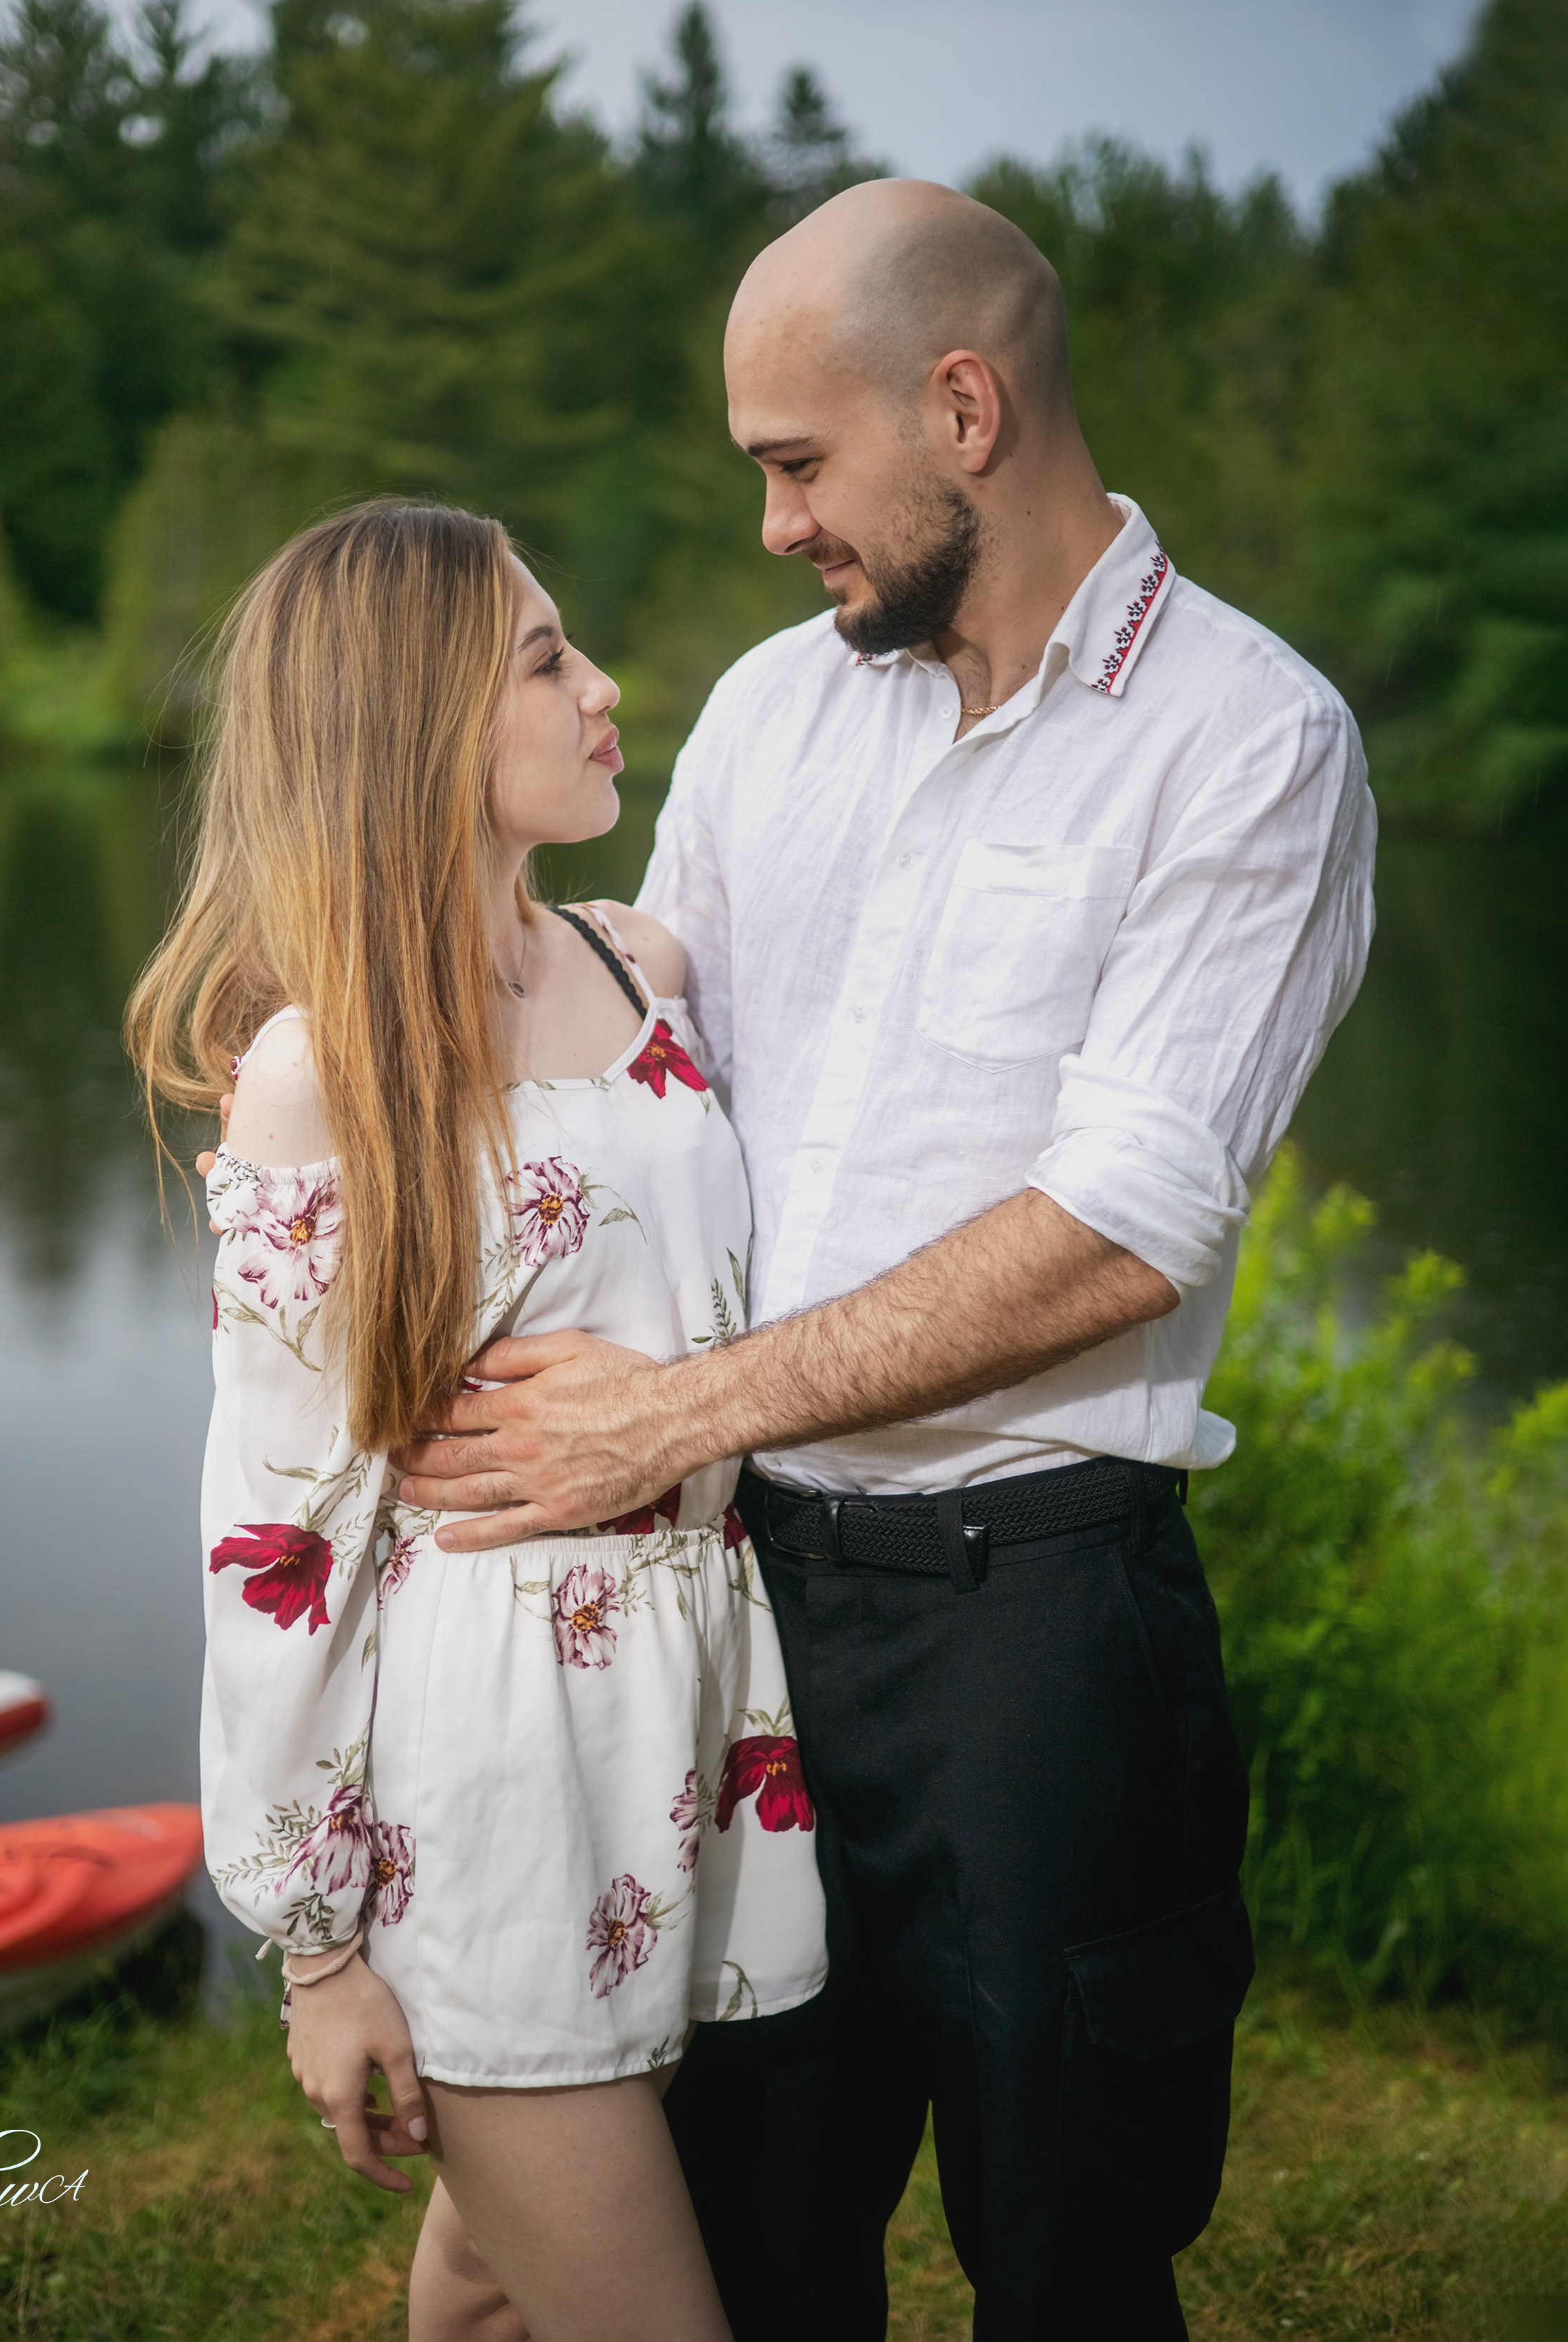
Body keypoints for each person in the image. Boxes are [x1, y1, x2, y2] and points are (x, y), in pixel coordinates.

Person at [387, 182, 1377, 2338]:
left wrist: (673, 1410)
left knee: (1072, 2258)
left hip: (1040, 1630)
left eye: (797, 465)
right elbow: (641, 1047)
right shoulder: (775, 710)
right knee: (751, 2244)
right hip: (738, 1612)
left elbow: (1123, 1232)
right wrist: (351, 1014)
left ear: (964, 411)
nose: (775, 528)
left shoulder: (1252, 738)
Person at [125, 500, 827, 2342]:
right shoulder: (323, 1071)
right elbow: (276, 1544)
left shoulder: (639, 966)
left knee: (497, 2288)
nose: (604, 688)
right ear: (416, 720)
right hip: (493, 1774)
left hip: (695, 1714)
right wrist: (318, 1951)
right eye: (543, 660)